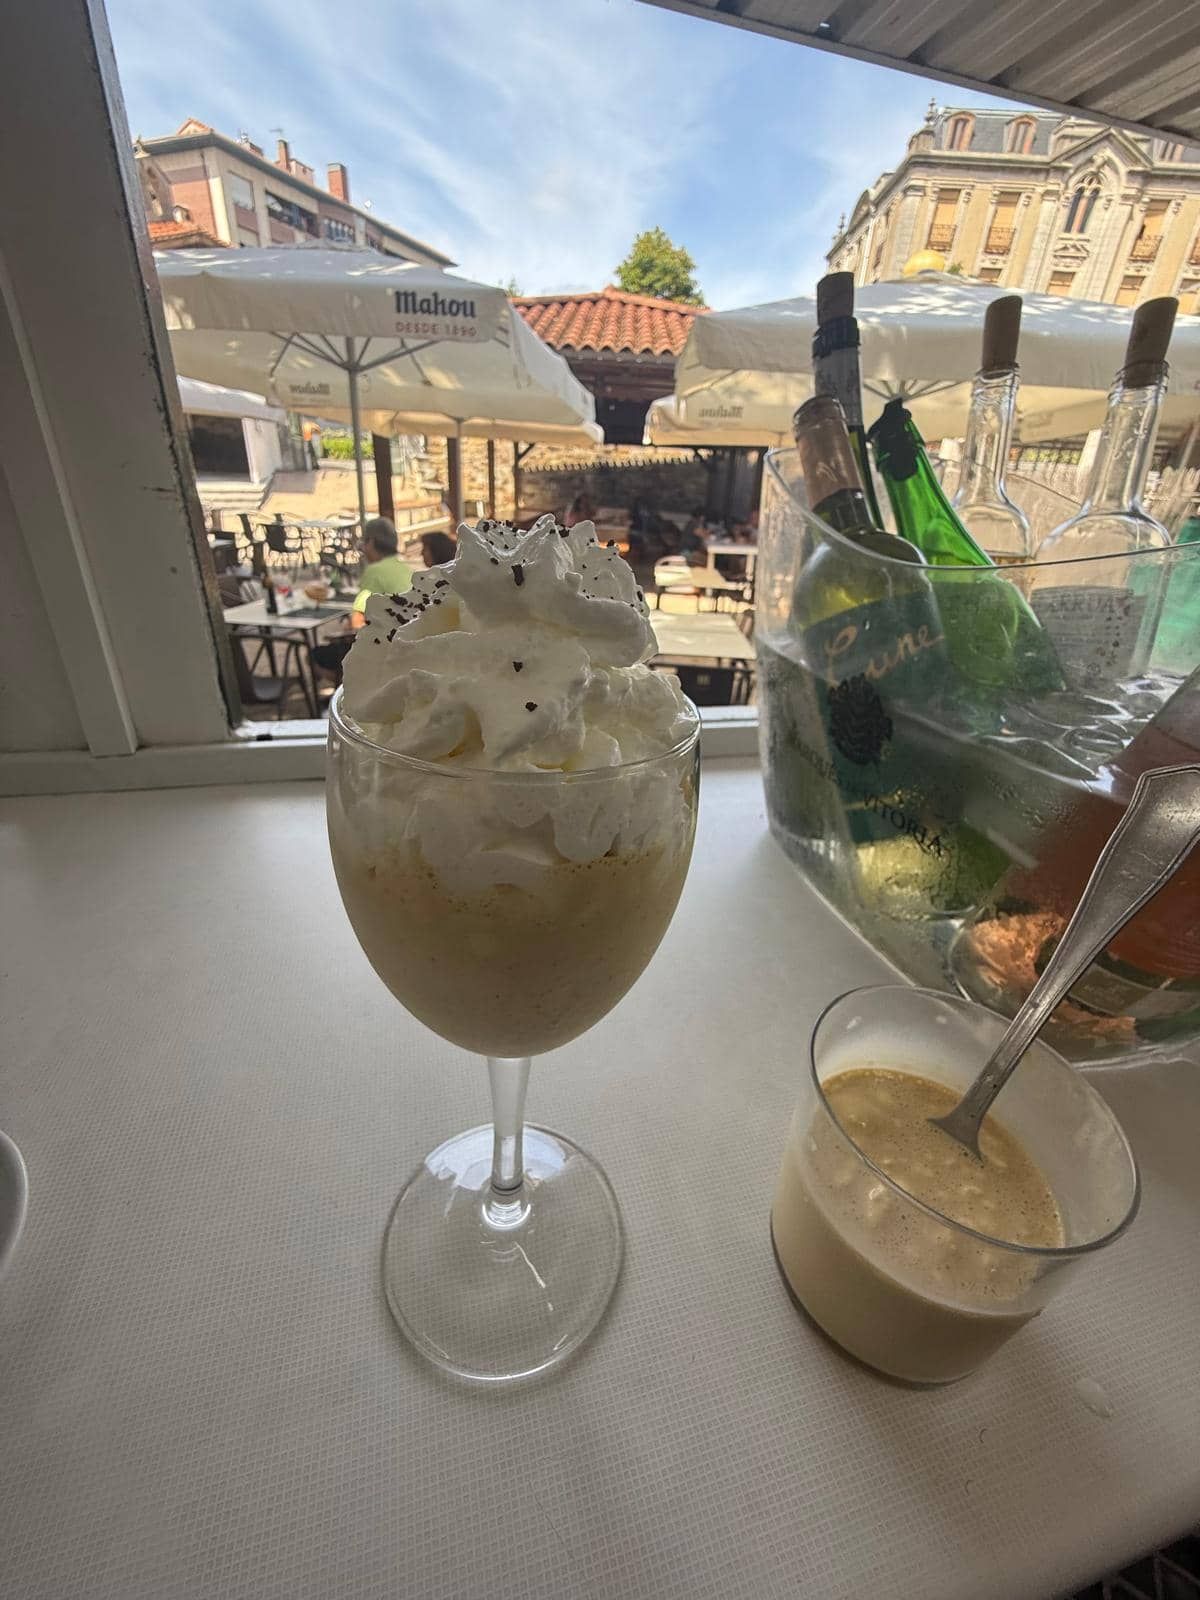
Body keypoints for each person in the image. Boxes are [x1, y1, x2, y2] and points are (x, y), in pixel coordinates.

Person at [310, 517, 413, 686]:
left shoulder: (374, 571)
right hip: (403, 643)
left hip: (382, 650)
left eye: (364, 543)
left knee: (313, 655)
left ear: (371, 543)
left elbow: (358, 619)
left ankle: (347, 687)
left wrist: (340, 634)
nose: (363, 549)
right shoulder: (404, 568)